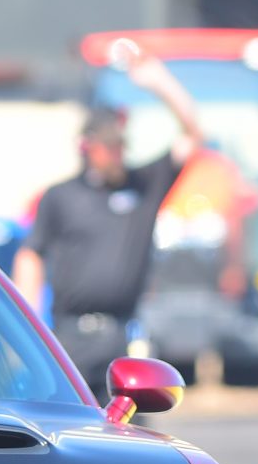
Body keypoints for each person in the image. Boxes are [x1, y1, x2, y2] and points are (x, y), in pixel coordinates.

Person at [12, 38, 205, 387]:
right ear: (88, 148)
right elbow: (31, 255)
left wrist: (159, 83)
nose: (117, 153)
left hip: (121, 337)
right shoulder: (61, 196)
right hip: (69, 337)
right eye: (108, 146)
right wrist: (28, 325)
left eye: (120, 144)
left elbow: (192, 134)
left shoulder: (144, 186)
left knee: (128, 429)